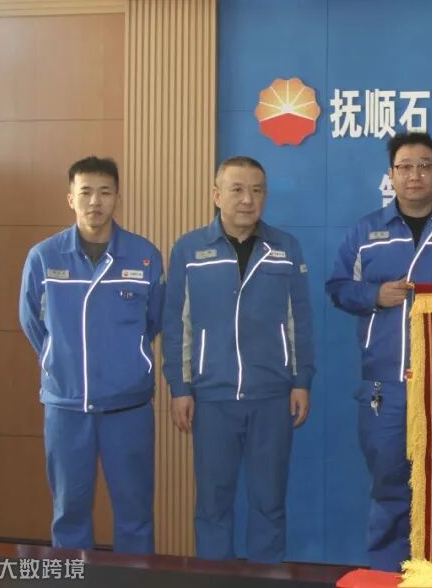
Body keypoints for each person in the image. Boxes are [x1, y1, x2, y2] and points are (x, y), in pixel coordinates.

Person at [326, 132, 432, 571]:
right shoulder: (366, 232)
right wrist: (373, 295)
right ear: (391, 174)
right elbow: (338, 288)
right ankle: (388, 573)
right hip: (385, 387)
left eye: (424, 165)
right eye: (405, 166)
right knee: (389, 487)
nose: (414, 174)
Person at [161, 155, 315, 563]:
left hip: (272, 397)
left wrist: (301, 380)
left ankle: (267, 576)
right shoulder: (190, 249)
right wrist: (180, 387)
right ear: (217, 195)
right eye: (237, 189)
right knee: (213, 504)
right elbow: (177, 325)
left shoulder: (285, 248)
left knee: (270, 502)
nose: (248, 199)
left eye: (257, 190)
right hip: (212, 398)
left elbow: (299, 320)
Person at [19, 156, 165, 553]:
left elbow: (154, 321)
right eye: (85, 192)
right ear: (70, 198)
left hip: (128, 407)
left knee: (135, 513)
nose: (95, 202)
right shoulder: (44, 257)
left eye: (105, 192)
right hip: (67, 407)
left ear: (117, 196)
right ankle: (72, 579)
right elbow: (31, 321)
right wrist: (58, 359)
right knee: (69, 512)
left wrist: (127, 362)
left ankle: (135, 580)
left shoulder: (144, 256)